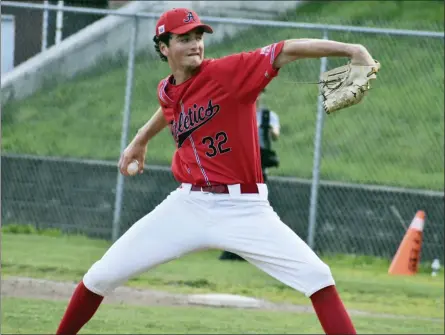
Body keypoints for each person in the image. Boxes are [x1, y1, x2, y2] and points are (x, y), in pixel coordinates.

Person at [56, 7, 377, 335]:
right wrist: (140, 139)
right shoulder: (167, 89)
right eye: (185, 39)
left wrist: (352, 50)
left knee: (318, 277)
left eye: (198, 37)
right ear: (164, 47)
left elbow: (286, 49)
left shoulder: (229, 72)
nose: (196, 43)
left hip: (245, 209)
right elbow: (169, 106)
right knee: (100, 276)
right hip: (188, 206)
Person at [218, 89, 280, 261]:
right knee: (234, 205)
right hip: (240, 166)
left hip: (258, 168)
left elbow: (275, 134)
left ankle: (251, 249)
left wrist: (267, 129)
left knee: (255, 208)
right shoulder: (239, 113)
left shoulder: (267, 116)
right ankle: (232, 247)